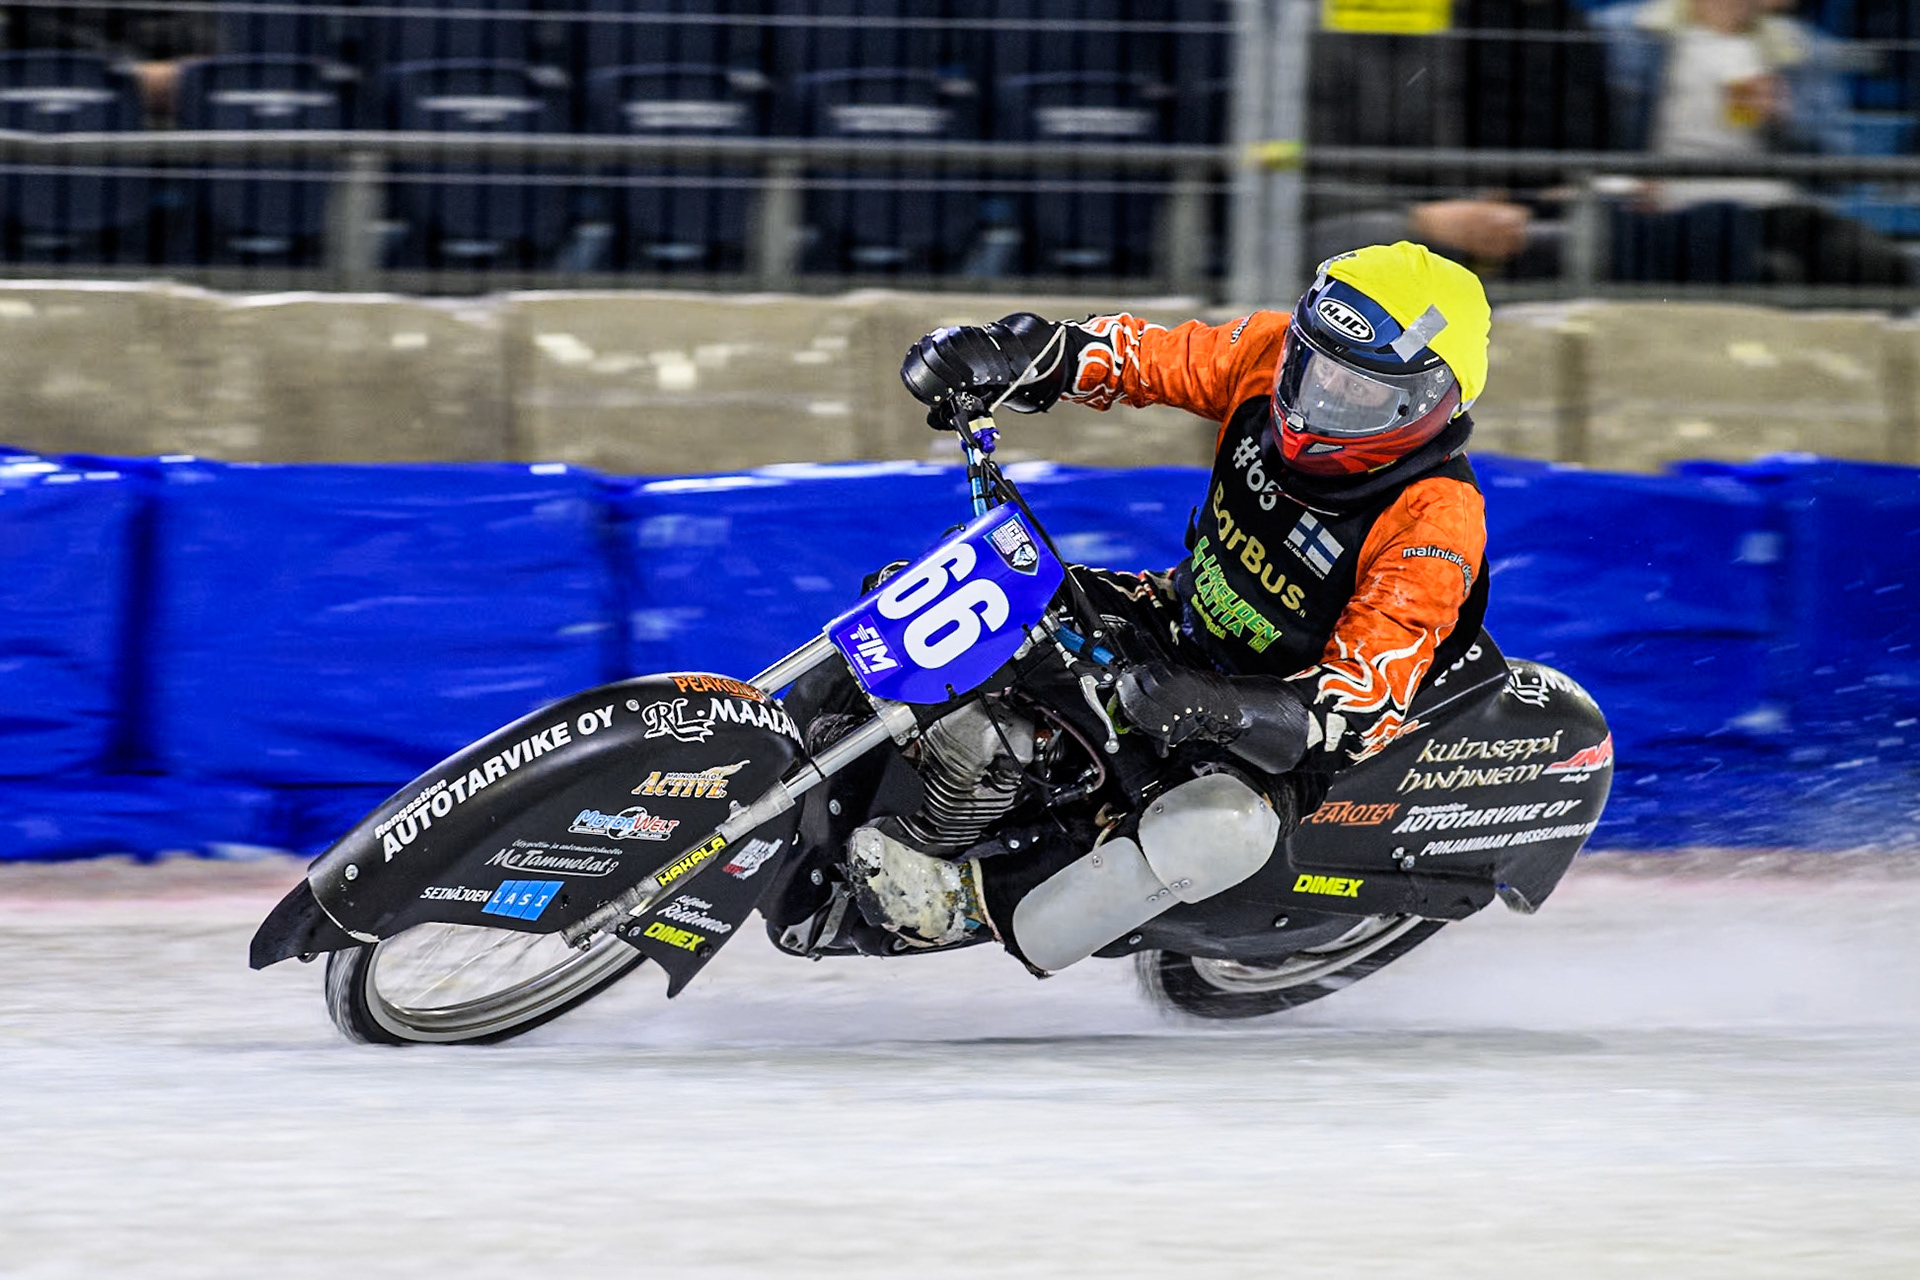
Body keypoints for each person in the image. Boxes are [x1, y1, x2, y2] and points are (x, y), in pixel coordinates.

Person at [821, 240, 1494, 974]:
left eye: (1358, 392)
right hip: (1176, 615)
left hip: (1269, 725)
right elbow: (1142, 354)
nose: (1319, 401)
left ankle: (964, 902)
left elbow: (1363, 701)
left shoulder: (1435, 521)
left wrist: (1224, 708)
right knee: (938, 586)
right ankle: (824, 741)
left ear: (1432, 404)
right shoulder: (1265, 352)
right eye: (1315, 367)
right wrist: (1017, 352)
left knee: (1220, 829)